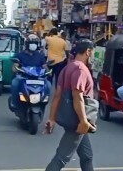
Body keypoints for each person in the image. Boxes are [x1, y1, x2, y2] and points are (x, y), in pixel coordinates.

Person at [44, 39, 96, 171]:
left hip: (73, 119)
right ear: (88, 52)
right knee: (61, 158)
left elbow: (57, 95)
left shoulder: (68, 68)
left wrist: (52, 119)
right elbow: (77, 96)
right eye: (93, 53)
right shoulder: (81, 70)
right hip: (77, 120)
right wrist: (83, 121)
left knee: (87, 156)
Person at [10, 34, 50, 110]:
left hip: (37, 78)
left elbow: (44, 65)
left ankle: (43, 104)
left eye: (35, 43)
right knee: (14, 83)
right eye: (32, 43)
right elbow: (15, 66)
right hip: (23, 77)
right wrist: (15, 69)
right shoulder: (20, 55)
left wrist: (48, 71)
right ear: (27, 44)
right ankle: (14, 103)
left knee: (48, 85)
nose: (33, 45)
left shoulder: (40, 55)